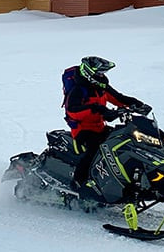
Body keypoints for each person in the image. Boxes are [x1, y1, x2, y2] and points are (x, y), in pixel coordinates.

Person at [64, 56, 150, 198]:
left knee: (124, 141)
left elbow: (119, 98)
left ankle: (127, 178)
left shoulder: (101, 87)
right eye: (99, 73)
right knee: (95, 150)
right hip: (82, 130)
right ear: (89, 73)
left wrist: (138, 104)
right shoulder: (79, 90)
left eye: (103, 73)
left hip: (99, 127)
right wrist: (96, 109)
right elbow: (72, 111)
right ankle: (79, 182)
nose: (102, 75)